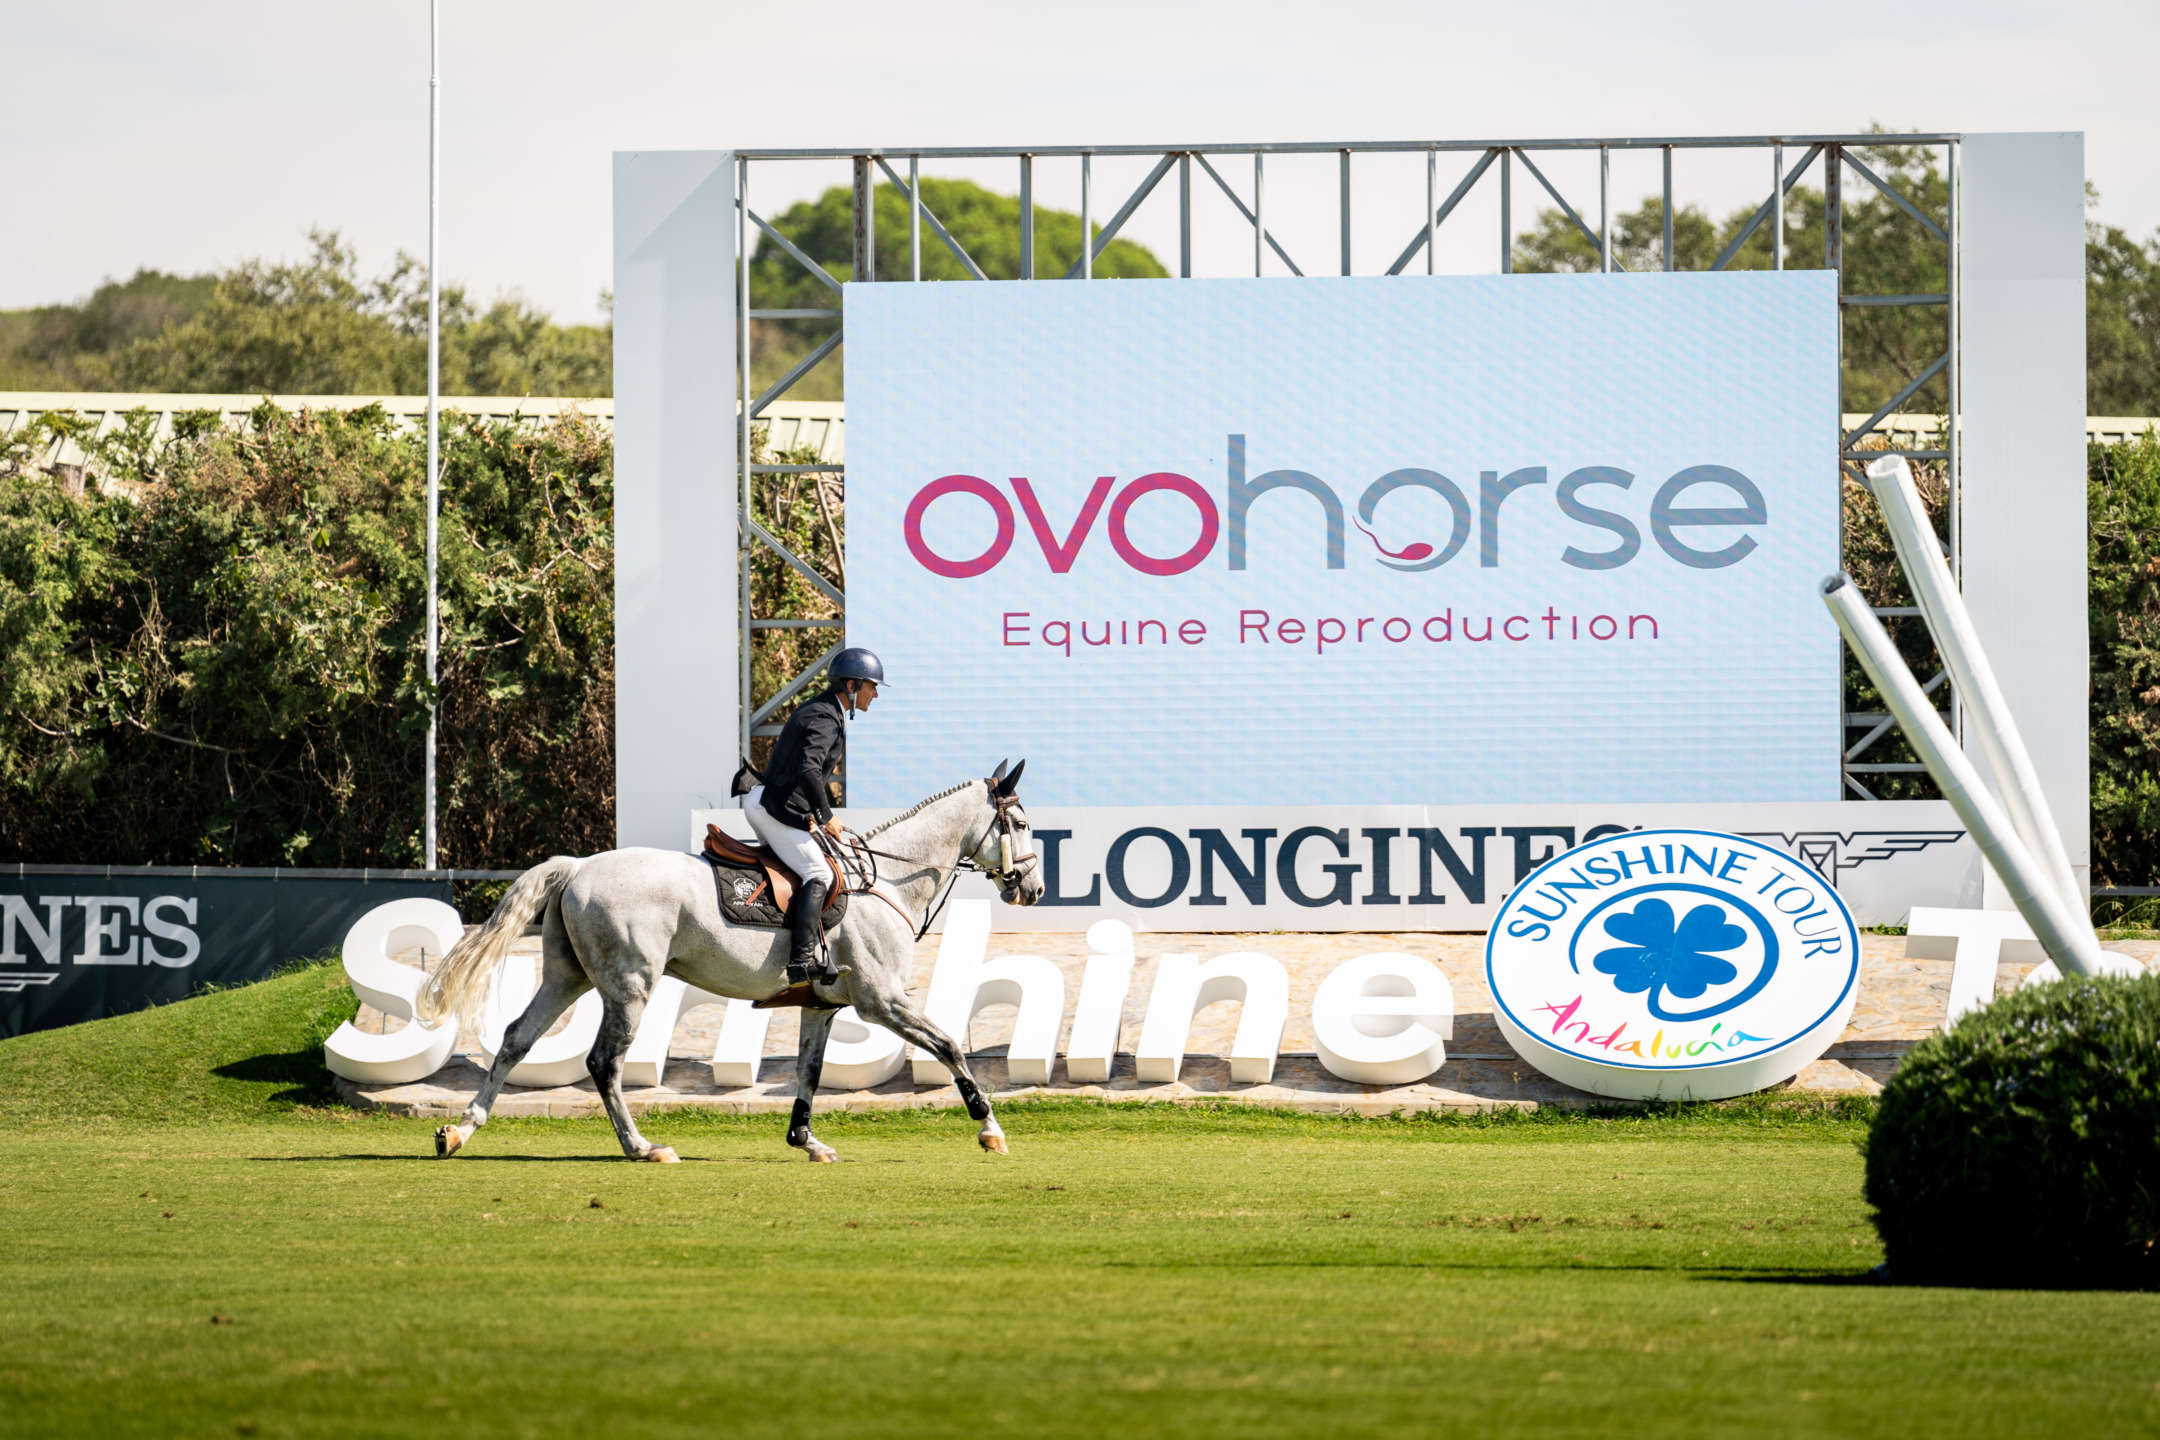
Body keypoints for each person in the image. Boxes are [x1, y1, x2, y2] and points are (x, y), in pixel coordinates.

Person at [743, 647, 886, 986]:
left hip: (778, 806)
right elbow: (809, 769)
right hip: (772, 809)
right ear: (851, 686)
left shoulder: (826, 711)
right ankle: (800, 963)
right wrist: (825, 816)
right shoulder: (825, 717)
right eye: (872, 686)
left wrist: (808, 816)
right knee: (818, 872)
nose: (876, 694)